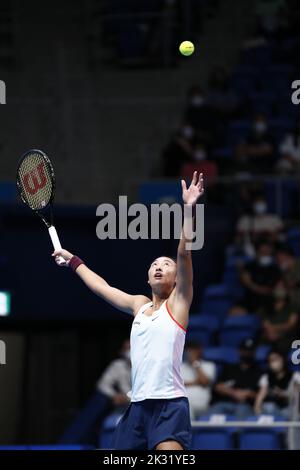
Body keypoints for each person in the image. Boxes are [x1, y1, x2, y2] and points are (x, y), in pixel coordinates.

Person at [52, 171, 205, 451]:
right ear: (148, 278)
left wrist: (189, 209)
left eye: (166, 265)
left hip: (169, 406)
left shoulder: (179, 303)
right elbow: (101, 287)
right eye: (155, 264)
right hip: (137, 408)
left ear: (176, 279)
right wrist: (73, 261)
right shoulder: (139, 305)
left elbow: (184, 252)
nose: (159, 266)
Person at [210, 338, 263, 419]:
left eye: (250, 351)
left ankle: (237, 432)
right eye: (245, 350)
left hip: (245, 405)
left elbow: (262, 393)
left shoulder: (259, 371)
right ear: (239, 351)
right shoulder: (229, 368)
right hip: (224, 403)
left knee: (242, 412)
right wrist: (234, 393)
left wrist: (248, 393)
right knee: (215, 410)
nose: (247, 353)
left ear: (254, 352)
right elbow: (217, 386)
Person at [240, 240, 281, 312]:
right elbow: (245, 281)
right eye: (262, 252)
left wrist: (254, 286)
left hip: (270, 299)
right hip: (251, 299)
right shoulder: (250, 266)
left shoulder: (276, 268)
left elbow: (274, 286)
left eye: (267, 252)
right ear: (257, 252)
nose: (265, 254)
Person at [259, 279, 299, 353]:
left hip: (287, 341)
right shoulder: (265, 307)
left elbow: (290, 324)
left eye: (282, 287)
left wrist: (274, 329)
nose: (280, 290)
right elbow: (265, 324)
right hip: (268, 339)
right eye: (277, 287)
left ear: (287, 290)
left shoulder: (293, 307)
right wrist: (271, 332)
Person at [181, 342, 216, 419]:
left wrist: (195, 363)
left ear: (200, 350)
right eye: (189, 350)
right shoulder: (180, 366)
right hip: (183, 404)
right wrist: (197, 382)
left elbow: (204, 382)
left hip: (202, 406)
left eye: (194, 350)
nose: (191, 352)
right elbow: (177, 385)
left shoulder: (209, 365)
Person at [255, 349, 294, 418]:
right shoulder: (266, 377)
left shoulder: (295, 376)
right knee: (269, 406)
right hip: (273, 410)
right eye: (271, 360)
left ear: (283, 359)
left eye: (276, 359)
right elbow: (260, 396)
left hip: (289, 408)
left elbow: (296, 395)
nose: (274, 363)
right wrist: (257, 409)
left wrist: (285, 394)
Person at [96, 339, 131, 412]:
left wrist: (127, 399)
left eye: (132, 348)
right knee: (100, 398)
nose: (130, 351)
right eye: (127, 349)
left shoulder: (149, 366)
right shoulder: (118, 365)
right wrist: (114, 396)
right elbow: (102, 385)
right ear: (121, 352)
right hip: (123, 403)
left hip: (141, 404)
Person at [276, 245, 300, 311]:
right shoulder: (284, 270)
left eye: (279, 257)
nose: (277, 260)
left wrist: (293, 284)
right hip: (293, 303)